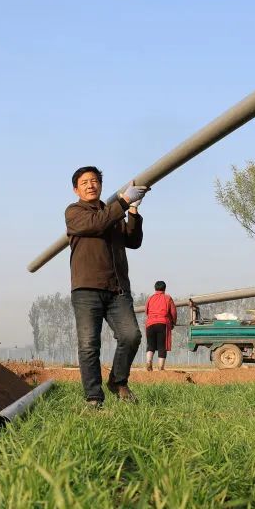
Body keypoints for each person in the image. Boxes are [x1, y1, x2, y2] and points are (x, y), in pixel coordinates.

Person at [65, 166, 150, 408]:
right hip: (87, 288)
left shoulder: (113, 212)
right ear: (76, 190)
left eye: (94, 181)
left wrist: (133, 211)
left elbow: (133, 241)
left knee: (131, 336)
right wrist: (123, 202)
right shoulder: (74, 212)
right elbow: (96, 224)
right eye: (84, 182)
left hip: (117, 289)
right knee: (89, 345)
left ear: (101, 185)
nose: (90, 185)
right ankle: (94, 398)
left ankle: (117, 381)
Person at [144, 280, 177, 371]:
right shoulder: (168, 298)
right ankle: (161, 368)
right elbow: (173, 312)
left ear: (155, 288)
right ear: (164, 288)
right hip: (162, 324)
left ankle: (148, 362)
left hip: (150, 323)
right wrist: (173, 322)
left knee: (150, 345)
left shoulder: (150, 298)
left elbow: (146, 311)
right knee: (162, 346)